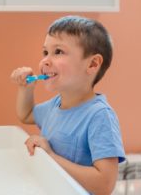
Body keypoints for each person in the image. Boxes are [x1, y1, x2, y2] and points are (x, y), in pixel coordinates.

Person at [10, 16, 125, 195]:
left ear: (92, 64)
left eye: (58, 52)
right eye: (45, 52)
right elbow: (25, 114)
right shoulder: (54, 106)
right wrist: (26, 89)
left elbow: (104, 184)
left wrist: (51, 157)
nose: (45, 61)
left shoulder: (100, 116)